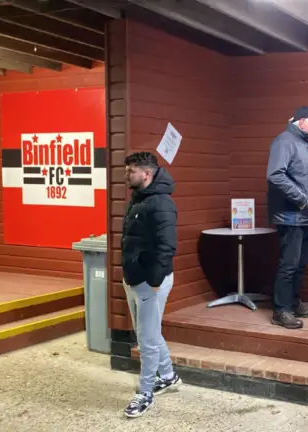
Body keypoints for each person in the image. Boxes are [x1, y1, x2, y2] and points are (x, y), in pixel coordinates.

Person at [120, 151, 181, 418]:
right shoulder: (138, 198)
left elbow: (167, 247)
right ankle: (167, 376)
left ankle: (145, 393)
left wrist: (154, 281)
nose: (126, 175)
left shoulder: (161, 203)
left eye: (130, 171)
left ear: (146, 174)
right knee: (149, 333)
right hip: (134, 278)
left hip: (150, 281)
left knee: (146, 340)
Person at [266, 106, 308, 329]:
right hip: (291, 217)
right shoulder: (285, 141)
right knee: (289, 265)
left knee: (299, 264)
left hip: (306, 218)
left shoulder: (304, 145)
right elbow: (275, 175)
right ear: (301, 122)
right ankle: (281, 310)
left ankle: (291, 302)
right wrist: (301, 199)